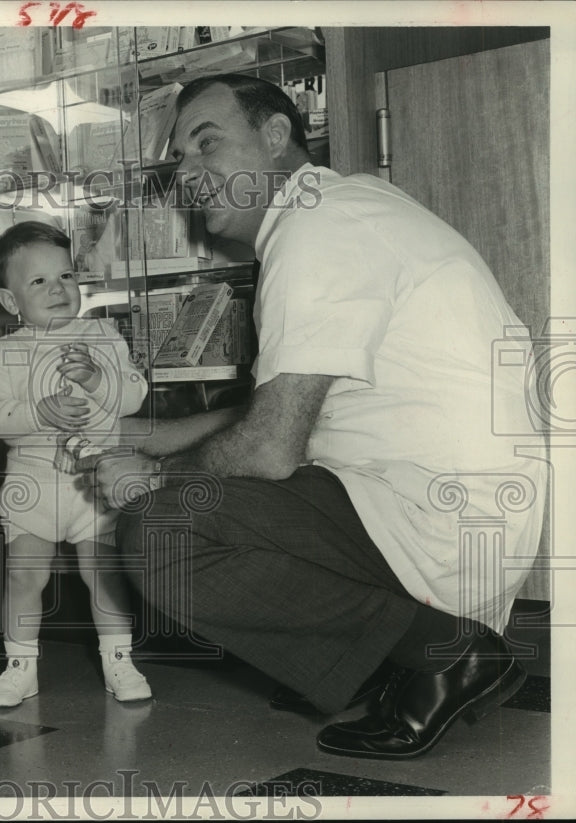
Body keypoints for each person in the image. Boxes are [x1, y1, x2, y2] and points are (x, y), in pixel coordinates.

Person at [76, 75, 547, 759]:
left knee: (163, 531)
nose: (188, 174)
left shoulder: (314, 230)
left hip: (432, 525)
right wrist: (147, 435)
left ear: (275, 137)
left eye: (207, 143)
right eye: (180, 158)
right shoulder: (344, 206)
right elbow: (290, 407)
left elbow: (269, 449)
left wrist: (153, 476)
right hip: (453, 514)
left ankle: (442, 654)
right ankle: (401, 651)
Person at [0, 221, 152, 707]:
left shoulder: (103, 335)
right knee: (23, 575)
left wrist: (99, 380)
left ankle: (119, 660)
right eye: (38, 282)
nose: (57, 289)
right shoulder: (4, 353)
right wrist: (37, 413)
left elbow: (135, 396)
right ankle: (20, 666)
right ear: (11, 302)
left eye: (67, 276)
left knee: (103, 573)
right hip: (31, 485)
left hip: (93, 483)